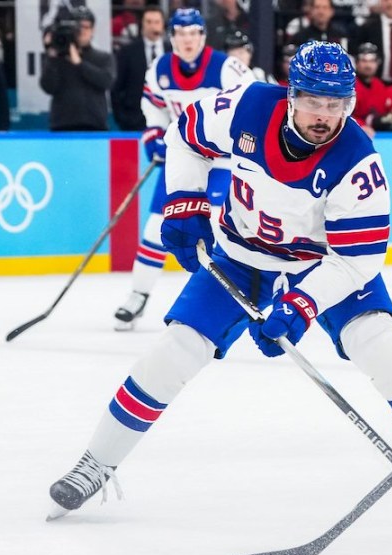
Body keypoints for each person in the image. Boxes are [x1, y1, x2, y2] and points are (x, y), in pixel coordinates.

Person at [48, 41, 392, 528]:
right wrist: (184, 200)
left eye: (335, 104)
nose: (324, 116)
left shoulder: (358, 161)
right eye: (313, 102)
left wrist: (301, 304)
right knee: (175, 350)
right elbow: (184, 137)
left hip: (320, 264)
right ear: (291, 94)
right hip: (240, 256)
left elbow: (356, 262)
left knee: (382, 346)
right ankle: (96, 463)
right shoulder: (246, 105)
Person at [112, 8, 256, 330]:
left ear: (202, 36)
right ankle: (137, 295)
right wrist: (154, 136)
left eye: (193, 33)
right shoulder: (159, 69)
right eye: (180, 34)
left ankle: (221, 304)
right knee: (155, 230)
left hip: (222, 161)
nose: (187, 40)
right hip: (184, 160)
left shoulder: (227, 68)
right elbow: (155, 110)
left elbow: (253, 105)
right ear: (172, 37)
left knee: (217, 230)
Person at [40, 6, 114, 131]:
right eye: (79, 27)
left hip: (94, 126)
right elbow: (48, 87)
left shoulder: (103, 58)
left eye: (86, 27)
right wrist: (52, 57)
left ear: (93, 30)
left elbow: (106, 81)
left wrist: (80, 64)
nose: (82, 31)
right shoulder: (58, 57)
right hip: (62, 126)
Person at [111, 6, 168, 131]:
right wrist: (123, 119)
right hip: (135, 122)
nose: (153, 26)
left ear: (163, 24)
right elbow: (116, 89)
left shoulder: (173, 51)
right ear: (142, 24)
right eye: (148, 22)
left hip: (169, 121)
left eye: (157, 22)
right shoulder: (127, 52)